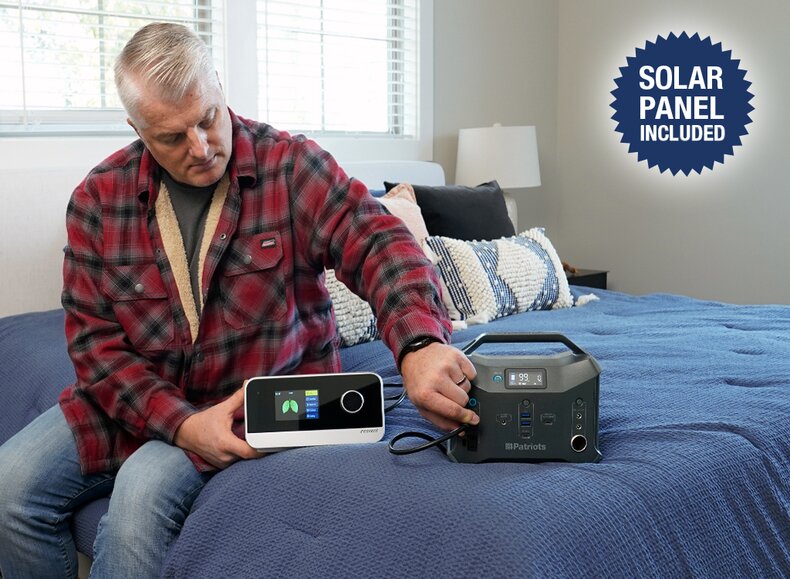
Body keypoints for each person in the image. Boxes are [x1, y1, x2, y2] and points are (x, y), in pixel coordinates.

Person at [0, 22, 479, 578]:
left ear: (220, 89)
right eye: (171, 137)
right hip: (139, 395)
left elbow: (379, 243)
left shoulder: (292, 166)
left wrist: (418, 342)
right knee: (9, 485)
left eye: (207, 119)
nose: (200, 148)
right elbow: (95, 347)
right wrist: (181, 424)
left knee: (138, 498)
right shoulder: (97, 200)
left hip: (263, 399)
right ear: (136, 129)